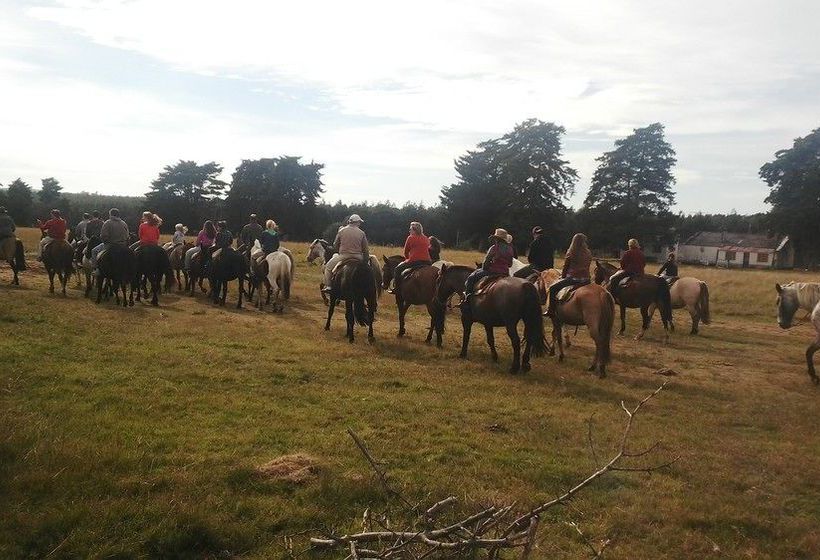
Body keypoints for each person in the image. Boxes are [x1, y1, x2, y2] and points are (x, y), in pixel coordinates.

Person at [545, 233, 592, 318]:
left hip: (573, 278)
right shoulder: (588, 252)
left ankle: (550, 310)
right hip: (586, 279)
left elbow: (565, 267)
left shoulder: (571, 252)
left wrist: (562, 276)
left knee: (552, 289)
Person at [323, 214, 370, 292]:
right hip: (358, 257)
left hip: (343, 256)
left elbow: (335, 244)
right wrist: (365, 260)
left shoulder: (341, 231)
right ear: (357, 222)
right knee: (369, 270)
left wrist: (339, 249)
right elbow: (365, 249)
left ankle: (328, 286)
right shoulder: (362, 233)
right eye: (359, 222)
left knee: (328, 267)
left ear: (350, 222)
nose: (360, 224)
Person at [463, 228, 514, 299]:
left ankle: (467, 298)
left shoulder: (493, 248)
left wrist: (486, 267)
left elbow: (485, 264)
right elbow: (510, 264)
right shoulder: (510, 250)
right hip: (505, 273)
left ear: (496, 239)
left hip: (492, 272)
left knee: (471, 278)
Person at [389, 221, 431, 297]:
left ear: (415, 230)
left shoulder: (410, 238)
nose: (409, 231)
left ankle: (396, 289)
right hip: (427, 262)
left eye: (410, 229)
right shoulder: (426, 238)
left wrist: (408, 259)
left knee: (397, 269)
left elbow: (405, 252)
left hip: (415, 261)